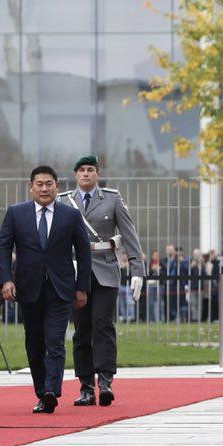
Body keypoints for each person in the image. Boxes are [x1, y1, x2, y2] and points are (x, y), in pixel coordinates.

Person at [0, 165, 92, 413]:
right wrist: (6, 280)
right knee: (35, 344)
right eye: (39, 184)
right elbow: (3, 249)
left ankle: (51, 390)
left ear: (57, 187)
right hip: (28, 289)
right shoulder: (16, 214)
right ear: (31, 187)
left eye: (49, 183)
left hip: (60, 290)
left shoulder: (70, 216)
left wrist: (82, 287)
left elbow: (83, 253)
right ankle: (41, 391)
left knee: (55, 341)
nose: (44, 188)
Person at [57, 155, 144, 408]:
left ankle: (105, 381)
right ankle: (85, 386)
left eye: (90, 170)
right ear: (75, 175)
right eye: (81, 170)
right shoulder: (64, 201)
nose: (86, 174)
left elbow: (129, 234)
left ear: (97, 174)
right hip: (76, 272)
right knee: (82, 330)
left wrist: (137, 268)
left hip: (105, 268)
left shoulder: (112, 198)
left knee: (103, 325)